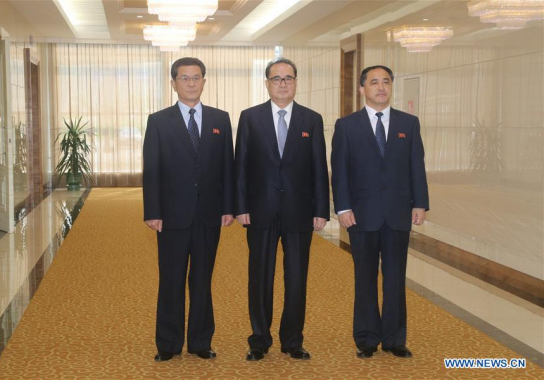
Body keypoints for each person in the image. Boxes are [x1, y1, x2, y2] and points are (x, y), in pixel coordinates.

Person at [331, 65, 429, 359]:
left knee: (396, 277)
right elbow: (340, 171)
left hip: (398, 213)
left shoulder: (408, 123)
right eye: (374, 82)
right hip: (361, 214)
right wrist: (343, 207)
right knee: (364, 278)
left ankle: (395, 338)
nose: (381, 87)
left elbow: (416, 166)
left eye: (386, 82)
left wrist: (420, 203)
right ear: (362, 89)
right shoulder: (346, 125)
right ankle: (366, 338)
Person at [234, 57, 329, 361]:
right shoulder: (250, 118)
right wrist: (241, 206)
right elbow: (241, 167)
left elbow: (318, 168)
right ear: (267, 84)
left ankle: (293, 340)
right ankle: (259, 339)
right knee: (260, 277)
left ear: (296, 82)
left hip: (299, 212)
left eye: (288, 78)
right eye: (277, 79)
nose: (283, 84)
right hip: (259, 211)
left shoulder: (311, 119)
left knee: (297, 277)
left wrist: (321, 210)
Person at [142, 57, 234, 362]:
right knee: (171, 279)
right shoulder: (158, 121)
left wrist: (228, 207)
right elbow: (152, 169)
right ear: (174, 83)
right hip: (171, 216)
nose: (191, 83)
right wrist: (152, 211)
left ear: (204, 82)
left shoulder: (221, 119)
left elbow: (227, 168)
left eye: (197, 78)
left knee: (202, 280)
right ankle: (167, 344)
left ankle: (200, 342)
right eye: (185, 78)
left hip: (209, 214)